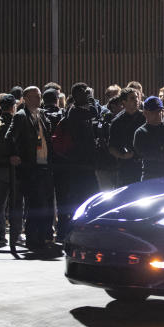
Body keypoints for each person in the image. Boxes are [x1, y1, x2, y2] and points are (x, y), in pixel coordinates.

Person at [7, 86, 56, 255]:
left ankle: (41, 237)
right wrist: (13, 154)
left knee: (43, 204)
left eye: (39, 96)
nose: (38, 100)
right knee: (35, 204)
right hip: (30, 167)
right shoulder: (21, 117)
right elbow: (9, 136)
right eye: (34, 97)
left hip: (43, 164)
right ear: (25, 99)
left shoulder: (42, 114)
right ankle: (32, 238)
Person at [53, 83, 100, 239]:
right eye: (83, 93)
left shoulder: (80, 111)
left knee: (87, 195)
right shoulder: (75, 112)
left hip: (85, 162)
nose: (86, 96)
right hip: (77, 163)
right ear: (76, 95)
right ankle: (69, 231)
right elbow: (95, 111)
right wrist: (91, 99)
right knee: (77, 197)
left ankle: (80, 229)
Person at [0, 93, 21, 247]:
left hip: (0, 167)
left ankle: (0, 235)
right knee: (16, 203)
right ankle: (16, 234)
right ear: (13, 106)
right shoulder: (17, 120)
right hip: (15, 167)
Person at [133, 96, 164, 181]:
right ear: (145, 113)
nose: (158, 115)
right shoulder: (141, 132)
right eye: (153, 112)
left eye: (160, 111)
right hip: (151, 175)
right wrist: (163, 153)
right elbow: (144, 153)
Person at [107, 88, 146, 185]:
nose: (136, 100)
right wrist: (122, 156)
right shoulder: (117, 122)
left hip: (145, 166)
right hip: (126, 168)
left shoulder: (145, 117)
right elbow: (112, 147)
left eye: (137, 97)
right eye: (132, 98)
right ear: (124, 102)